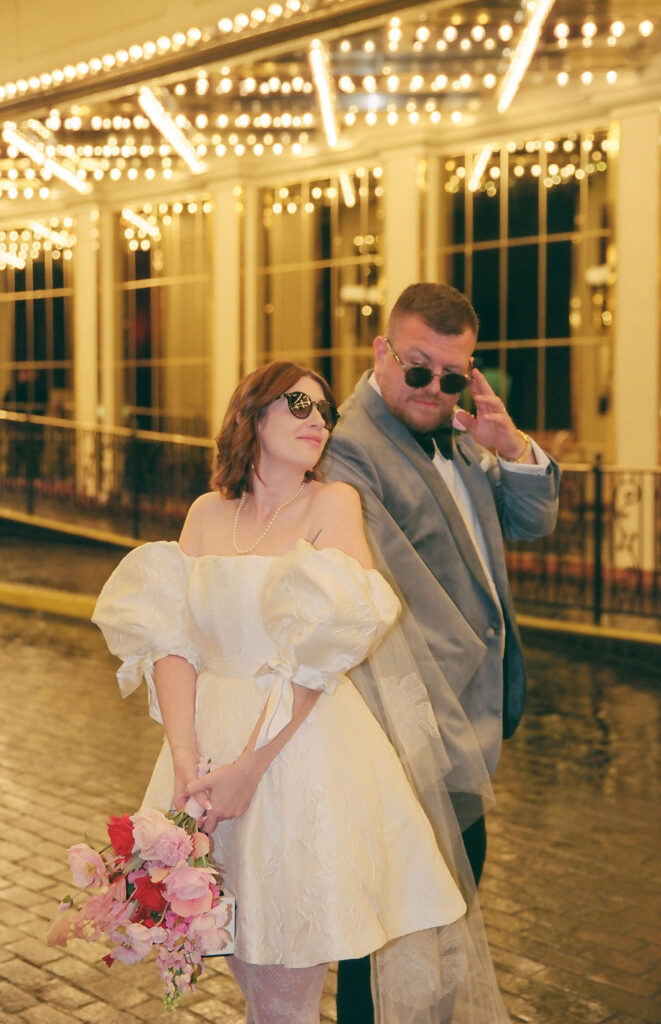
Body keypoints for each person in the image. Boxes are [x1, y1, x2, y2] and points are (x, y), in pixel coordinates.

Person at [91, 361, 509, 1024]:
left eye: (323, 410)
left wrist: (248, 770)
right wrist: (185, 761)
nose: (317, 420)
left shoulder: (331, 504)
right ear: (252, 415)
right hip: (203, 753)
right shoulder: (206, 513)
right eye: (297, 404)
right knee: (242, 968)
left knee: (286, 988)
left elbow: (324, 652)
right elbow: (172, 641)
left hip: (296, 757)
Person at [325, 282, 561, 1023]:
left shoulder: (459, 436)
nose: (433, 388)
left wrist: (510, 445)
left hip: (465, 731)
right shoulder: (346, 453)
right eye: (418, 368)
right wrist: (455, 709)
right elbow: (395, 604)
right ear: (381, 351)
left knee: (439, 929)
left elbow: (531, 521)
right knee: (386, 941)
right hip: (412, 737)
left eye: (452, 375)